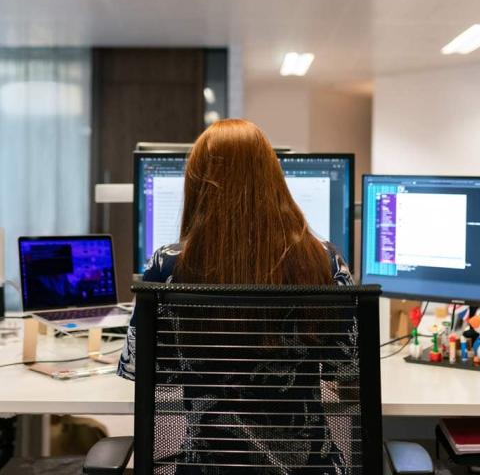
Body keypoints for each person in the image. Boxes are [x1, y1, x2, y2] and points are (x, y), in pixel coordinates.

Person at [118, 119, 355, 473]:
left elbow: (142, 369)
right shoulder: (324, 259)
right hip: (308, 466)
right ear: (273, 179)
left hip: (207, 466)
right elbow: (349, 367)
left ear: (197, 185)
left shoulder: (167, 266)